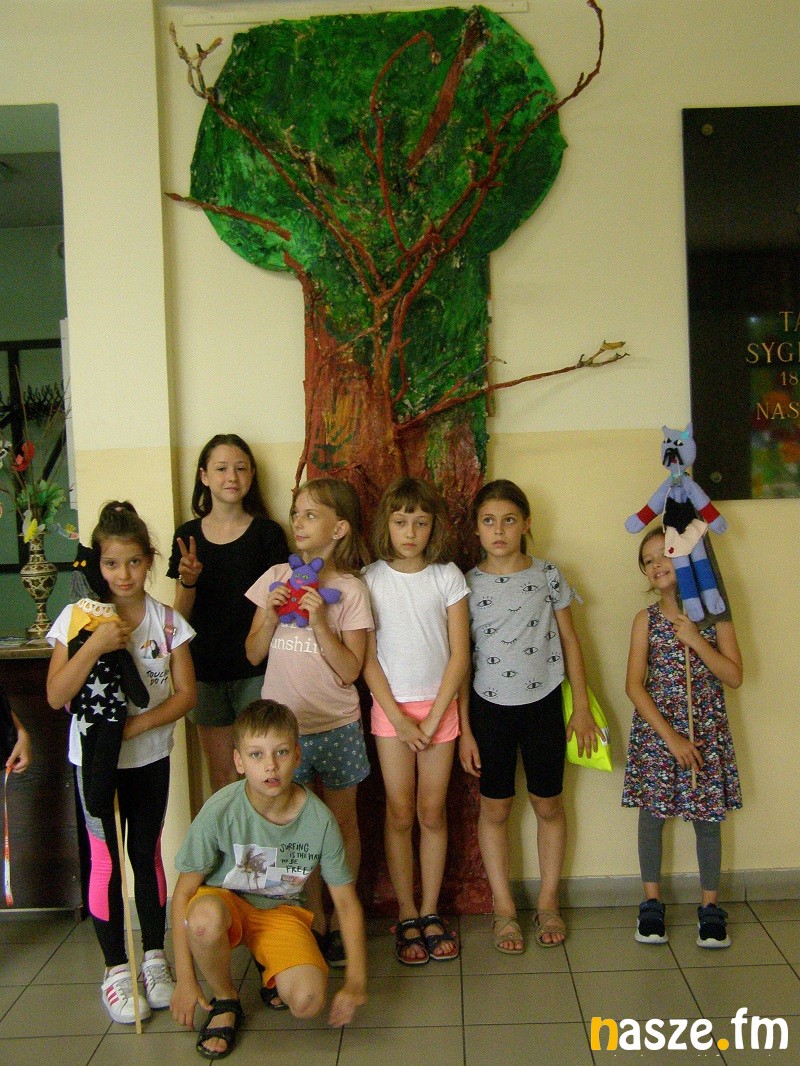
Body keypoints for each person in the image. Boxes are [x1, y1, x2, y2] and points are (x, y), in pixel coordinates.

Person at [46, 501, 197, 1023]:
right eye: (112, 564)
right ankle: (115, 969)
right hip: (93, 763)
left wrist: (137, 726)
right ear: (98, 564)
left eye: (134, 562)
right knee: (105, 860)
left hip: (149, 759)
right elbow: (57, 694)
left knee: (145, 854)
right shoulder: (77, 619)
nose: (124, 575)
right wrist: (94, 646)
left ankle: (153, 957)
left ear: (149, 560)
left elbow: (186, 695)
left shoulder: (168, 622)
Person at [170, 699, 367, 1059]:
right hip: (225, 904)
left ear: (297, 755)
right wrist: (185, 979)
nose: (270, 766)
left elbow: (346, 903)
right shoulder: (220, 809)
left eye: (281, 752)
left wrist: (355, 981)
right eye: (256, 755)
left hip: (281, 912)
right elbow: (183, 893)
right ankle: (226, 1000)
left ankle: (271, 970)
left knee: (308, 1001)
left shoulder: (320, 821)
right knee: (203, 921)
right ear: (239, 761)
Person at [459, 479, 600, 953]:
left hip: (544, 706)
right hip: (489, 709)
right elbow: (461, 660)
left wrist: (582, 708)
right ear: (476, 528)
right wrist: (464, 730)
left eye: (509, 520)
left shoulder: (548, 575)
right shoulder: (465, 584)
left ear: (526, 524)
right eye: (488, 521)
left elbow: (571, 641)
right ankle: (503, 908)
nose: (499, 530)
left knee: (548, 805)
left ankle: (547, 901)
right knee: (495, 809)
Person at [245, 478, 372, 966]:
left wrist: (320, 621)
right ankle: (311, 916)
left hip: (337, 725)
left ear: (339, 528)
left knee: (339, 825)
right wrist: (270, 614)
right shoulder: (276, 576)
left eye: (311, 515)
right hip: (283, 734)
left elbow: (350, 670)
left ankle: (341, 917)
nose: (298, 522)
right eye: (296, 513)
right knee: (292, 826)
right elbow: (253, 653)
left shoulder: (351, 589)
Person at [362, 477, 470, 965]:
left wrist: (437, 716)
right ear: (387, 524)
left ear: (433, 528)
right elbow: (367, 659)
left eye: (421, 523)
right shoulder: (370, 578)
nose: (410, 532)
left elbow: (459, 655)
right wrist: (400, 720)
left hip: (439, 711)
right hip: (392, 713)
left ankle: (430, 910)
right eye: (401, 521)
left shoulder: (447, 577)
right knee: (400, 812)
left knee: (432, 812)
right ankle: (406, 911)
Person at [623, 527, 743, 948]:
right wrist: (671, 738)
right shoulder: (646, 620)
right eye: (649, 560)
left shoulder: (715, 614)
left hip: (705, 730)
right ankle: (651, 903)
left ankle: (710, 908)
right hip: (659, 733)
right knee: (652, 818)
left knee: (707, 820)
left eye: (665, 554)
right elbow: (634, 686)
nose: (657, 564)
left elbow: (734, 675)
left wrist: (695, 639)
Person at [168, 434, 288, 792]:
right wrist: (188, 581)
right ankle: (227, 833)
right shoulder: (188, 535)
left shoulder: (268, 533)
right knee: (222, 777)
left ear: (251, 475)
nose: (231, 477)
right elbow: (179, 618)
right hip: (204, 670)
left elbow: (282, 604)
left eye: (240, 468)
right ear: (204, 476)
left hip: (258, 668)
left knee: (266, 775)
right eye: (221, 469)